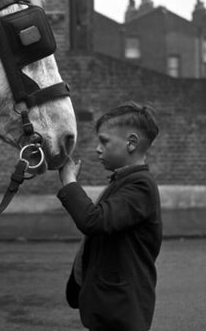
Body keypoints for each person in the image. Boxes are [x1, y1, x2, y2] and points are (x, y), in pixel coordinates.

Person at [57, 102, 162, 331]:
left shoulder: (140, 186)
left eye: (104, 141)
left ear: (131, 143)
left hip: (122, 312)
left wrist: (69, 182)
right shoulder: (125, 181)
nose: (97, 148)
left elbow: (93, 221)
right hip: (109, 308)